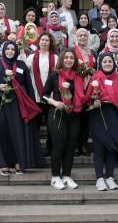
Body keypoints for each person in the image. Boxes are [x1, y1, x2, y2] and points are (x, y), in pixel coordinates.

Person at [0, 40, 45, 176]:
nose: (10, 51)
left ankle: (20, 161)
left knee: (18, 133)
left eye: (13, 49)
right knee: (4, 133)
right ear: (4, 50)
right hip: (2, 105)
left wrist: (31, 103)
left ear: (16, 51)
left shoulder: (21, 65)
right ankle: (5, 163)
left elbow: (29, 85)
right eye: (8, 49)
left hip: (19, 105)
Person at [86, 53, 118, 191]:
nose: (107, 63)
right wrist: (94, 101)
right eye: (104, 61)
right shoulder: (95, 77)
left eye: (110, 61)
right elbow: (87, 98)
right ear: (101, 63)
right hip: (97, 114)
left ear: (113, 64)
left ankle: (110, 177)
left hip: (113, 115)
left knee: (111, 147)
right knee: (99, 146)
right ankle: (99, 178)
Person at [42, 49, 85, 190]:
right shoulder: (54, 76)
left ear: (75, 60)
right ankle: (55, 177)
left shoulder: (78, 76)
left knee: (71, 147)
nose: (68, 60)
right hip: (57, 114)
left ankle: (66, 176)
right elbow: (44, 95)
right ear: (61, 59)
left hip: (74, 115)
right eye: (66, 57)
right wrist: (54, 103)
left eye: (71, 58)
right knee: (58, 146)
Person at [25, 32, 58, 156]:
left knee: (51, 125)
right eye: (42, 40)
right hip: (36, 96)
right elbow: (26, 73)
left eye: (47, 40)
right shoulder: (31, 57)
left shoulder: (55, 57)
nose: (44, 42)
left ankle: (50, 147)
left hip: (50, 97)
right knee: (36, 125)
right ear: (38, 42)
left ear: (50, 43)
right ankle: (35, 148)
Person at [73, 28, 97, 156]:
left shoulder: (92, 51)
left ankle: (83, 144)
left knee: (86, 119)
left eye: (85, 35)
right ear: (76, 37)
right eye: (80, 35)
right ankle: (75, 145)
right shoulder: (72, 51)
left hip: (90, 88)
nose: (82, 37)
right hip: (77, 88)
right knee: (76, 119)